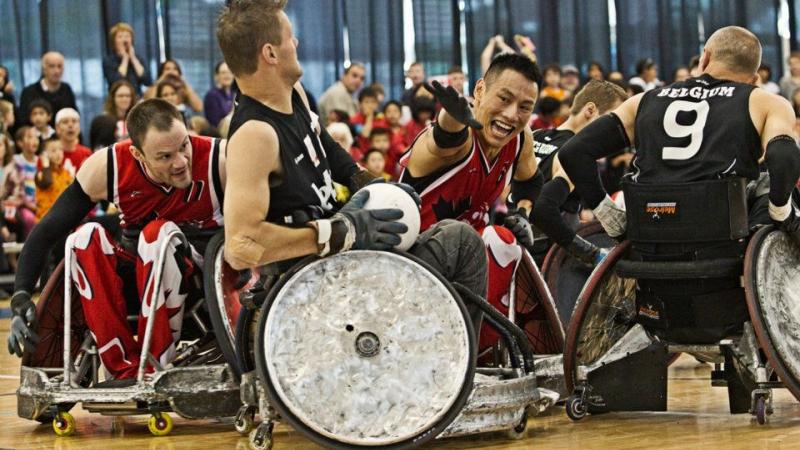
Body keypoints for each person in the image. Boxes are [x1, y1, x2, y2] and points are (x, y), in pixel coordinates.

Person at [216, 0, 487, 332]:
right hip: (314, 287)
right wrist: (337, 233)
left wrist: (367, 180)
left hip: (344, 260)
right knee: (462, 241)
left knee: (446, 230)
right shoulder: (255, 135)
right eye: (290, 37)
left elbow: (324, 144)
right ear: (270, 53)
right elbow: (240, 247)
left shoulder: (293, 91)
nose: (297, 44)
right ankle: (447, 366)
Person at [6, 99, 227, 382]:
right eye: (165, 157)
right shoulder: (107, 166)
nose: (181, 162)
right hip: (135, 278)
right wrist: (21, 295)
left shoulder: (220, 160)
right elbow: (47, 231)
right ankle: (119, 364)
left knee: (157, 234)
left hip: (199, 279)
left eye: (184, 146)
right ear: (138, 153)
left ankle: (155, 363)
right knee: (83, 237)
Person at [559, 26, 800, 254]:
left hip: (649, 238)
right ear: (754, 78)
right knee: (769, 182)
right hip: (721, 240)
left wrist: (609, 217)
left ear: (705, 57)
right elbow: (783, 157)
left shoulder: (644, 100)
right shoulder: (764, 101)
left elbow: (574, 151)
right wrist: (781, 212)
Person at [398, 53, 542, 350]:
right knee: (486, 240)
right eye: (504, 99)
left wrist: (522, 212)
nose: (512, 114)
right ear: (479, 91)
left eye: (525, 107)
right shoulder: (459, 139)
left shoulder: (521, 139)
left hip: (466, 265)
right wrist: (450, 117)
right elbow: (443, 139)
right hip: (412, 261)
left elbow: (530, 180)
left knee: (503, 240)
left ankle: (481, 352)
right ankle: (464, 353)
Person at [529, 80, 628, 265]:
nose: (616, 132)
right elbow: (542, 208)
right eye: (612, 121)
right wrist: (590, 253)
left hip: (513, 248)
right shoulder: (574, 155)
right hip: (545, 263)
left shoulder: (535, 136)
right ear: (590, 111)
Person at [19, 52, 77, 127]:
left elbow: (74, 116)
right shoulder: (29, 92)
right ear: (44, 69)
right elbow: (23, 122)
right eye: (52, 66)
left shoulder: (67, 90)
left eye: (60, 66)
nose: (56, 71)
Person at [102, 22, 152, 95]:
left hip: (137, 98)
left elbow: (147, 81)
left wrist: (133, 58)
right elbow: (117, 82)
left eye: (127, 36)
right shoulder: (109, 61)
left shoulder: (138, 58)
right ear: (114, 41)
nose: (124, 40)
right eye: (120, 37)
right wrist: (125, 58)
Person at [90, 79, 138, 147]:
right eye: (120, 96)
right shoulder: (103, 121)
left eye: (128, 96)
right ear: (113, 98)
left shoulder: (136, 120)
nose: (124, 99)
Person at [34, 138, 73, 220]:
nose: (58, 153)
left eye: (60, 149)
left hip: (64, 216)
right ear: (44, 155)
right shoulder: (40, 174)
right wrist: (45, 163)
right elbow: (47, 182)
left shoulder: (66, 173)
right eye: (53, 151)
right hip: (46, 219)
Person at [53, 108, 92, 175]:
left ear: (79, 127)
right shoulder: (49, 154)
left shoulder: (87, 154)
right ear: (57, 128)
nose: (70, 125)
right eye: (65, 122)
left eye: (74, 121)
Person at [204, 61, 235, 128]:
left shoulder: (235, 94)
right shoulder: (212, 95)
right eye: (223, 73)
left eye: (230, 72)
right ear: (216, 76)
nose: (227, 75)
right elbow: (215, 123)